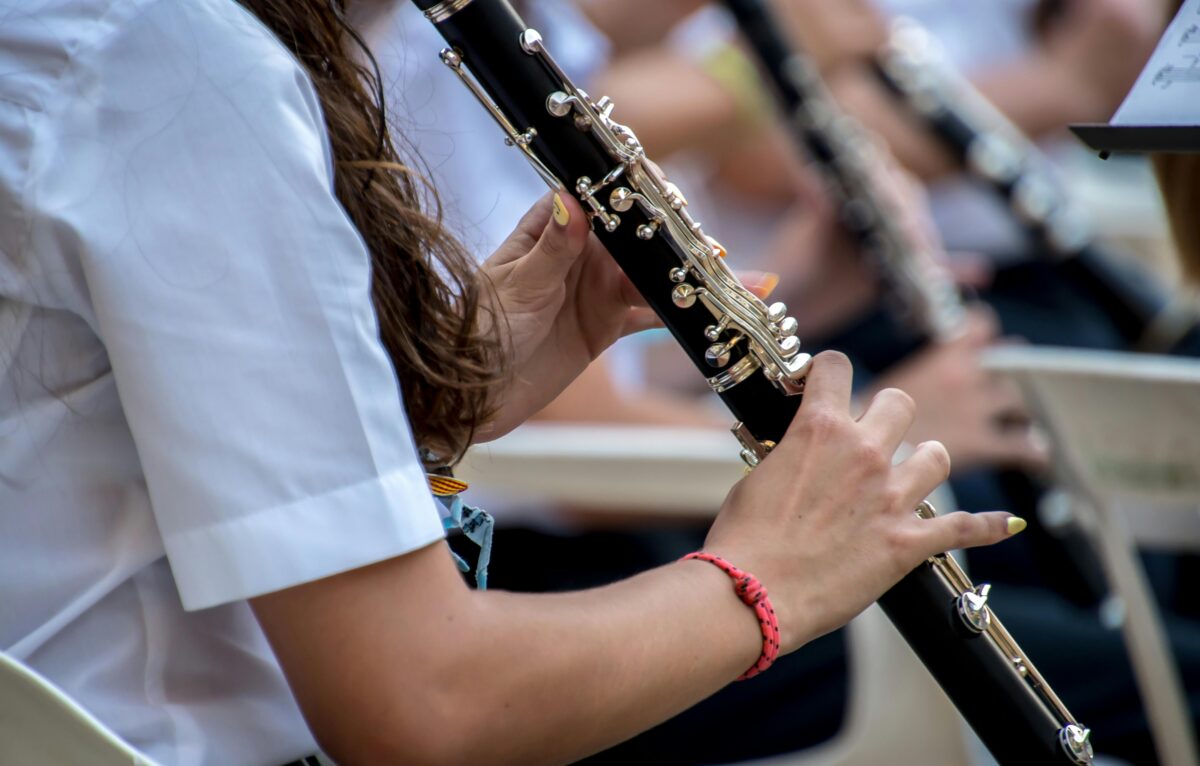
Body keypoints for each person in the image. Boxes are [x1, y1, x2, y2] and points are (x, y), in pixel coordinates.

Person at [0, 1, 1022, 765]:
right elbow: (424, 704)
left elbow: (87, 471)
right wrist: (772, 576)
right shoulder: (169, 64)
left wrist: (432, 400)